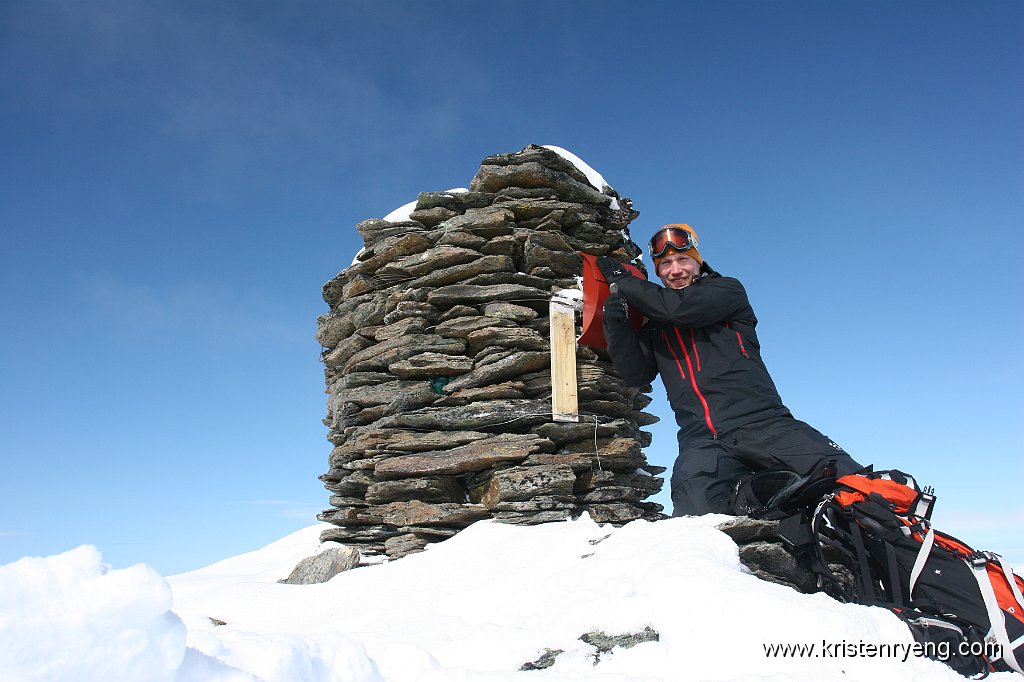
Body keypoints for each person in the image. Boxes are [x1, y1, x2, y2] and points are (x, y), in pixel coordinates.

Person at [597, 224, 863, 516]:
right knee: (694, 522)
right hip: (702, 442)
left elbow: (679, 310)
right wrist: (616, 323)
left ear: (698, 262)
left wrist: (624, 281)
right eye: (665, 265)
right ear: (658, 272)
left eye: (683, 260)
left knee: (851, 482)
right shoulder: (656, 327)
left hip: (765, 425)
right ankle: (754, 497)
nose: (675, 270)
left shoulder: (727, 291)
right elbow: (636, 374)